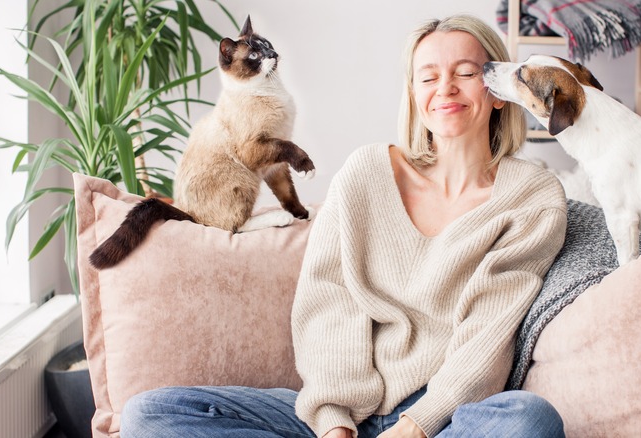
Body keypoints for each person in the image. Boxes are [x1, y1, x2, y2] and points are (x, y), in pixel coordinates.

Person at [121, 14, 567, 438]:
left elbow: (489, 331)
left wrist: (416, 426)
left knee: (530, 419)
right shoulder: (366, 172)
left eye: (466, 72)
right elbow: (329, 300)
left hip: (442, 419)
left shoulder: (532, 197)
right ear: (413, 93)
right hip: (343, 416)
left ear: (494, 88)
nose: (445, 88)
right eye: (428, 76)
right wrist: (335, 421)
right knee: (150, 415)